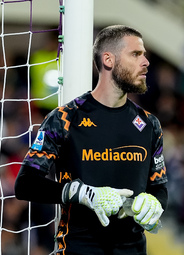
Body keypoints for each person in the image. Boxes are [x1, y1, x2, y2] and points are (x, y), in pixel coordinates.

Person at [15, 25, 168, 255]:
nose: (146, 62)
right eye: (136, 54)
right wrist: (81, 194)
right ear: (108, 59)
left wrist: (154, 205)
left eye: (144, 55)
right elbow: (25, 184)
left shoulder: (149, 125)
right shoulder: (65, 118)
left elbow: (159, 188)